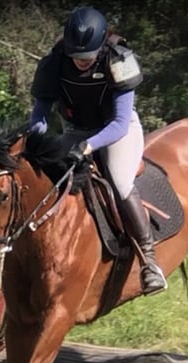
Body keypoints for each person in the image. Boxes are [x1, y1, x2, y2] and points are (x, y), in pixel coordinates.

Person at [28, 6, 167, 295]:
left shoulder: (119, 60)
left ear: (101, 46)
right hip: (76, 130)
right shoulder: (54, 63)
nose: (81, 62)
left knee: (120, 181)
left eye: (87, 57)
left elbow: (118, 122)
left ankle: (149, 261)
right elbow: (40, 115)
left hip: (119, 131)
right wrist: (36, 143)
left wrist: (88, 147)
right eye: (76, 56)